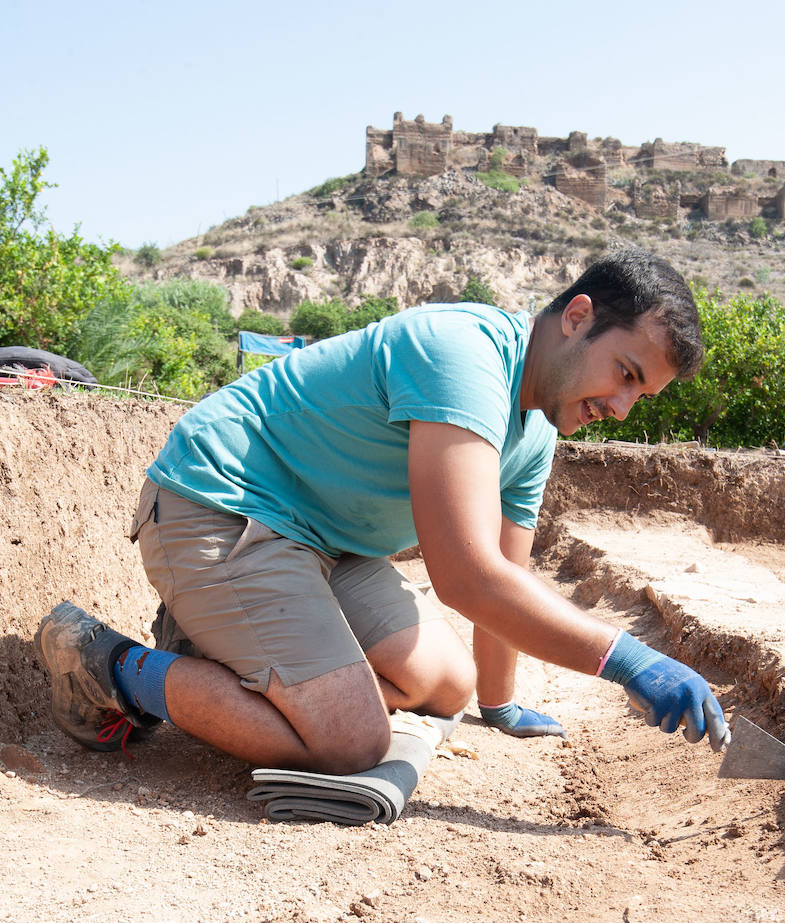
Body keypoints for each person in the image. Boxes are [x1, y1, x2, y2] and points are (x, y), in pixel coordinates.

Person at [36, 245, 730, 777]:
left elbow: (504, 579)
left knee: (447, 685)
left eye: (642, 395)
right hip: (221, 505)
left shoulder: (537, 429)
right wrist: (631, 661)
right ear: (577, 317)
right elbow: (465, 577)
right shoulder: (466, 355)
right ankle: (112, 666)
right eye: (626, 375)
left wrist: (498, 705)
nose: (620, 407)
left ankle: (220, 646)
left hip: (321, 545)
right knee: (349, 740)